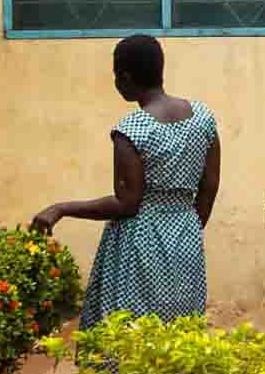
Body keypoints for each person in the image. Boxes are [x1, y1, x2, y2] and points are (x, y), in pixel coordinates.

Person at [31, 33, 220, 324]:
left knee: (132, 333)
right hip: (186, 237)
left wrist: (61, 208)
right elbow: (208, 187)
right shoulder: (203, 119)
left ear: (126, 78)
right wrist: (188, 227)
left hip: (139, 243)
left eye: (116, 77)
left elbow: (127, 203)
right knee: (178, 334)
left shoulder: (130, 130)